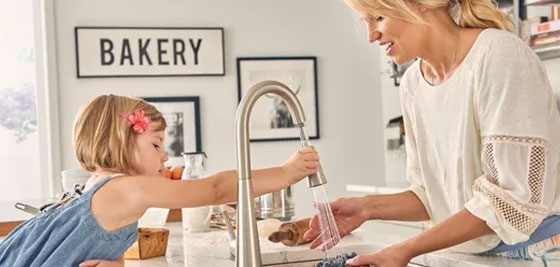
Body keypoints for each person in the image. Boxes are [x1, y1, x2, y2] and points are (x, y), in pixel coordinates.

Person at [304, 0, 560, 266]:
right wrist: (368, 208)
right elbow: (431, 194)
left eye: (378, 17)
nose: (371, 36)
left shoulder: (498, 54)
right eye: (365, 22)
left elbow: (511, 199)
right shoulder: (412, 83)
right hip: (459, 254)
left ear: (420, 4)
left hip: (530, 252)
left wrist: (406, 248)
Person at [0, 94, 320, 266]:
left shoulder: (96, 188)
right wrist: (284, 173)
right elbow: (215, 188)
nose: (165, 157)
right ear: (119, 142)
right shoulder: (127, 187)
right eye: (156, 145)